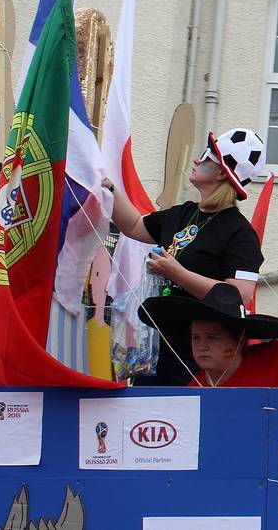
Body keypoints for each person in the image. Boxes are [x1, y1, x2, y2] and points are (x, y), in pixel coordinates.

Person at [106, 128, 267, 385]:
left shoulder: (239, 232)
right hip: (156, 344)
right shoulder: (184, 212)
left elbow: (239, 295)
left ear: (219, 172)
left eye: (205, 157)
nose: (196, 160)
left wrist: (177, 273)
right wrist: (109, 189)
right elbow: (135, 225)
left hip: (195, 354)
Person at [140, 283, 278, 387]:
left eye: (212, 337)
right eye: (196, 337)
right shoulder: (196, 388)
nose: (201, 345)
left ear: (240, 340)